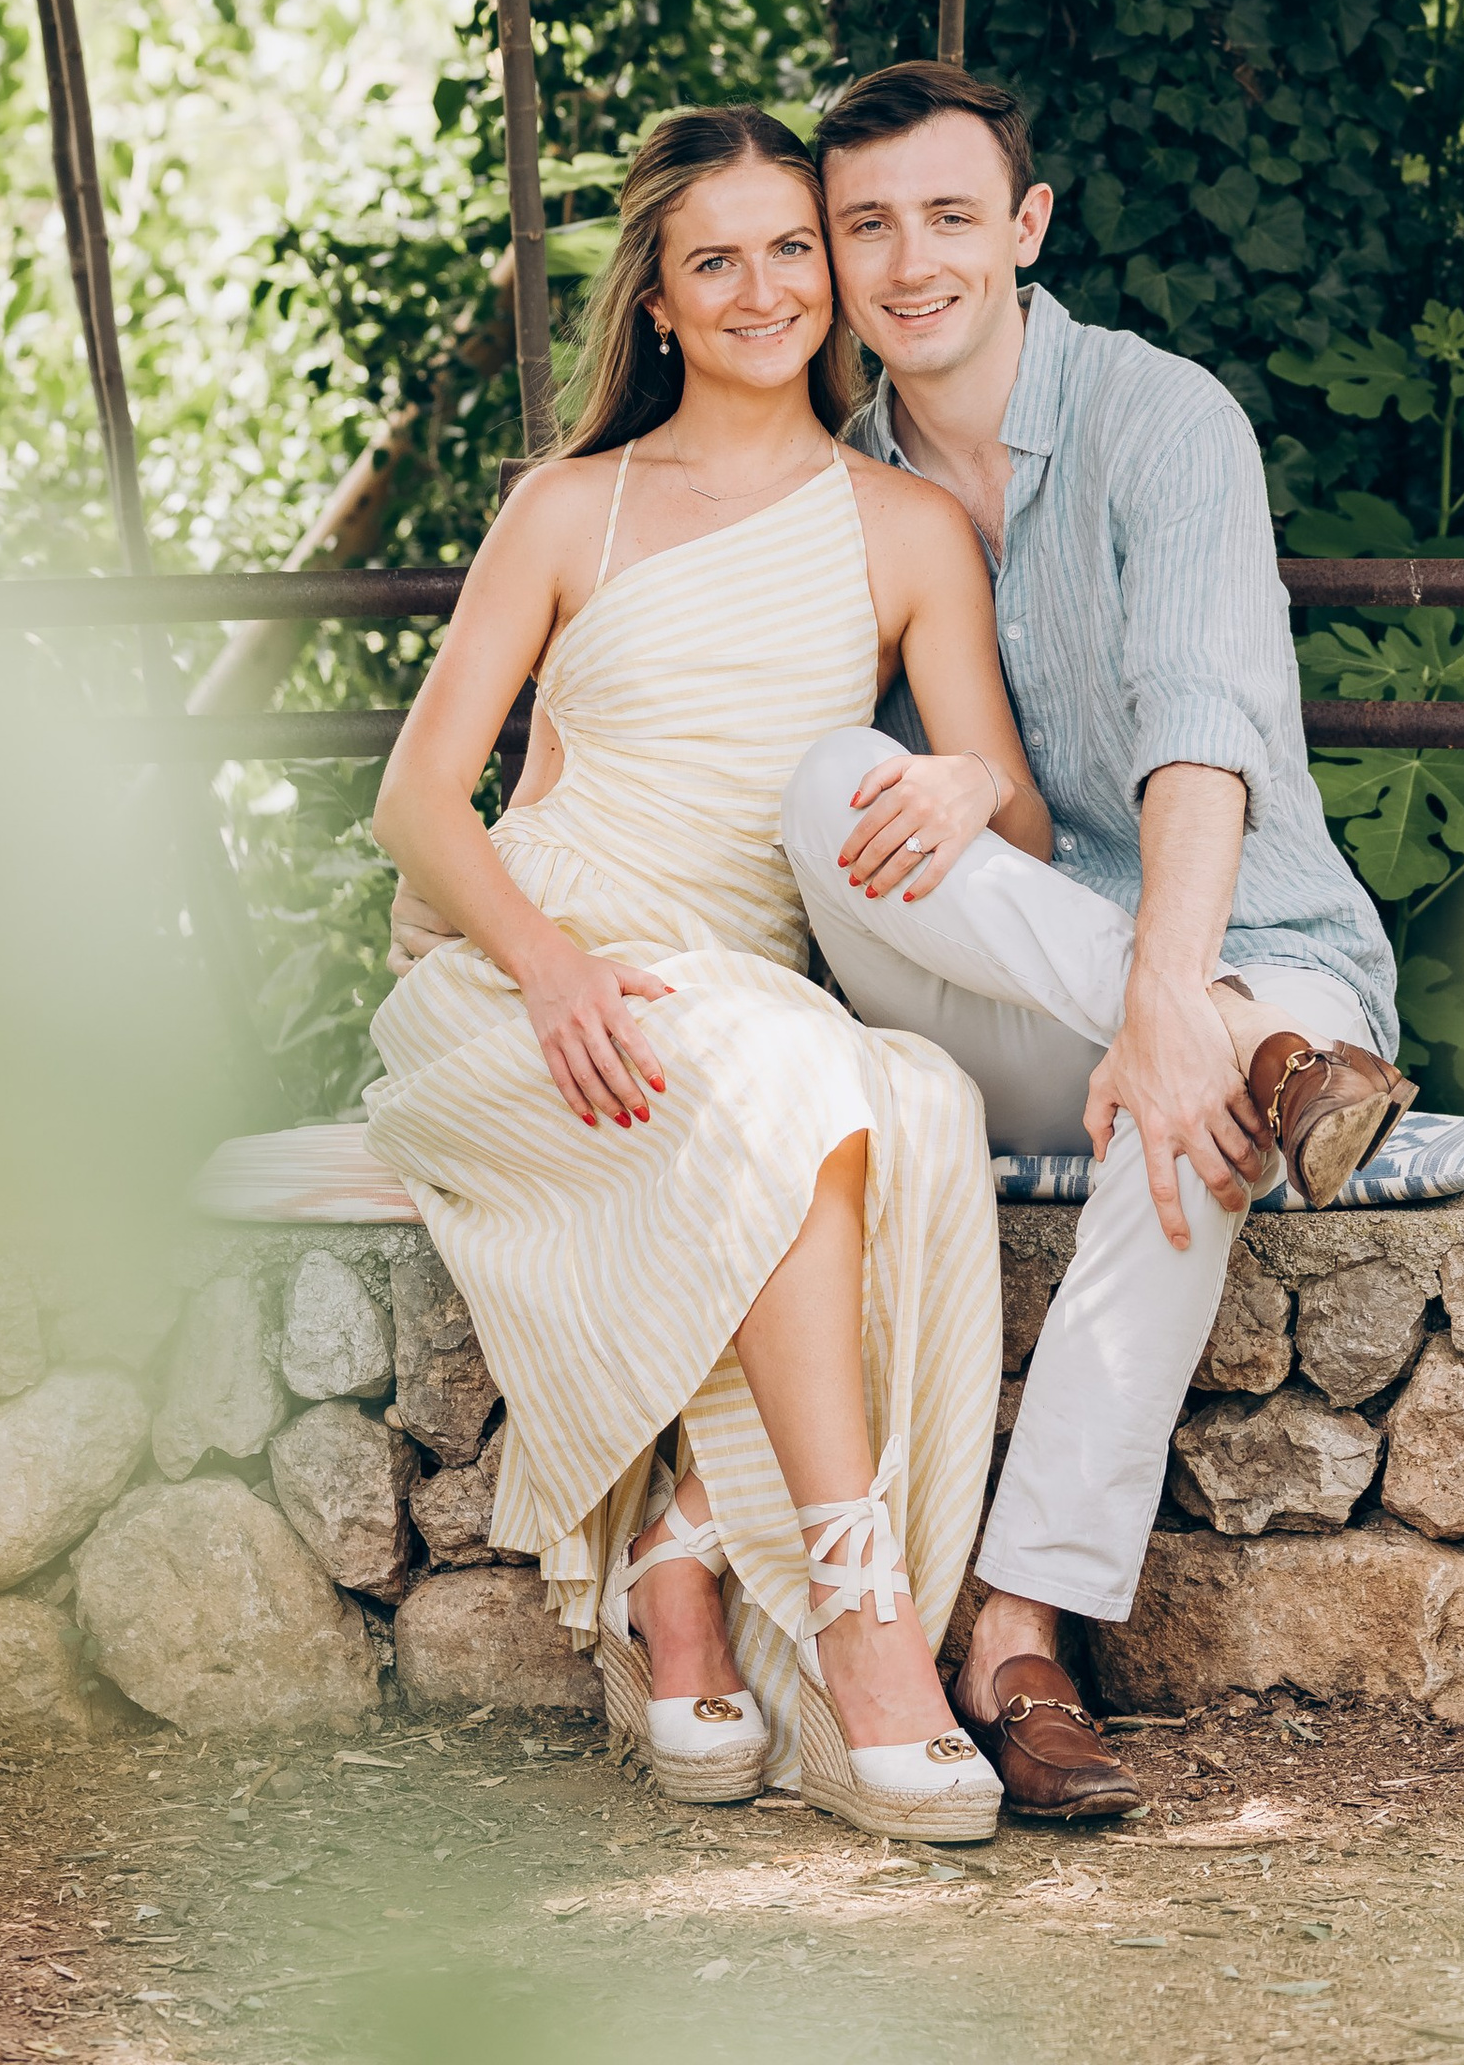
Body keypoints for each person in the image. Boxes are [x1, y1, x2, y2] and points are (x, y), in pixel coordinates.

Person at [364, 104, 1045, 1844]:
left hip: (739, 984)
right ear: (658, 300)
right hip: (525, 982)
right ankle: (860, 1610)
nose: (764, 288)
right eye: (714, 259)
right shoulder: (568, 508)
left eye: (791, 250)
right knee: (797, 1085)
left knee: (910, 1094)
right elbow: (416, 802)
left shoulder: (904, 529)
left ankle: (681, 1547)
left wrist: (967, 780)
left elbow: (1017, 822)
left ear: (832, 273)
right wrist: (550, 969)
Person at [777, 60, 1408, 1822]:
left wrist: (1170, 997)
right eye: (868, 226)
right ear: (831, 256)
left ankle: (1018, 1626)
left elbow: (1203, 725)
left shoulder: (1166, 419)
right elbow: (844, 820)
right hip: (1005, 995)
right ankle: (1251, 1061)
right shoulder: (832, 492)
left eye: (951, 217)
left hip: (1259, 945)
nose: (912, 262)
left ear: (1028, 228)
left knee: (1182, 1131)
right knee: (835, 780)